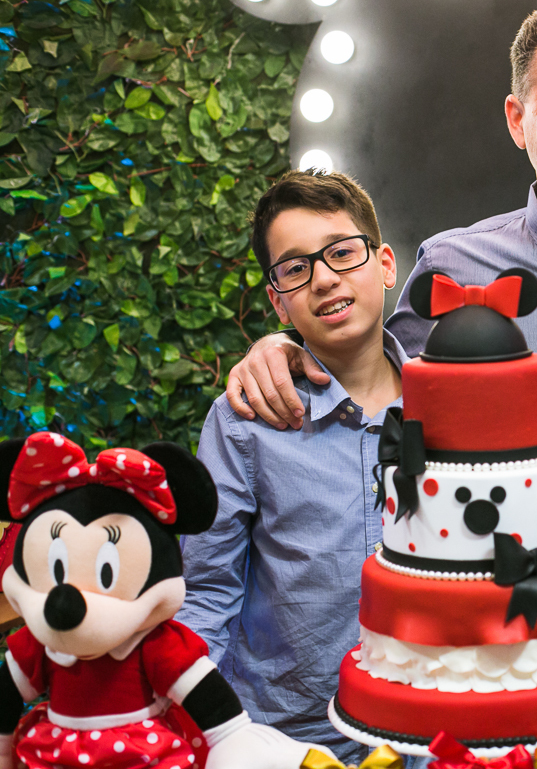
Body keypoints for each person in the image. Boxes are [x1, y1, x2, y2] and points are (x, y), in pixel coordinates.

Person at [219, 0, 537, 769]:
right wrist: (282, 347)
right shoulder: (454, 268)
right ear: (518, 119)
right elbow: (373, 376)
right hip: (495, 688)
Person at [176, 170, 406, 763]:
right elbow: (206, 593)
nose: (324, 278)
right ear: (278, 299)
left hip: (428, 735)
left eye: (342, 253)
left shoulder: (450, 404)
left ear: (384, 265)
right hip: (286, 741)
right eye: (296, 268)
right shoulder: (244, 421)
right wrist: (192, 735)